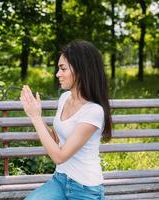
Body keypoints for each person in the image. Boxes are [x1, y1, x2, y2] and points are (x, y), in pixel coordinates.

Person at [20, 40, 112, 200]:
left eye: (63, 69)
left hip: (85, 189)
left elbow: (59, 156)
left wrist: (35, 118)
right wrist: (36, 115)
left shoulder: (93, 111)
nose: (57, 74)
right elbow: (56, 139)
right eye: (58, 68)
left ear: (81, 71)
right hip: (60, 180)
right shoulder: (65, 98)